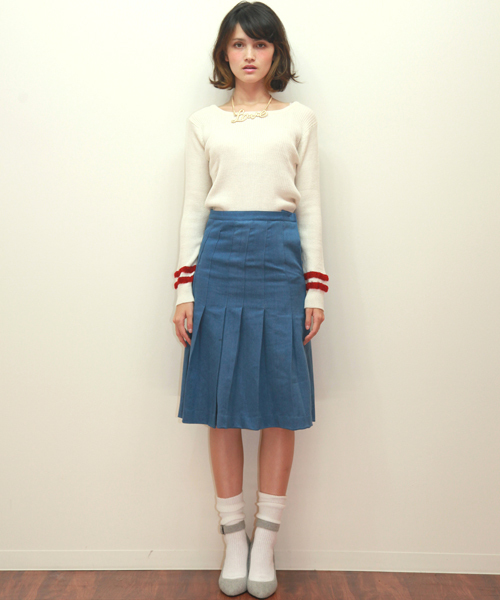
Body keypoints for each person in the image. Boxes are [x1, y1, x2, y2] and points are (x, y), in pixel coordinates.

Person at [172, 2, 329, 597]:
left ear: (275, 53)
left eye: (259, 44)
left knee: (279, 402)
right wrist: (184, 288)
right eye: (238, 44)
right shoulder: (202, 123)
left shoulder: (301, 119)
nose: (248, 55)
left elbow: (311, 208)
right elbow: (193, 208)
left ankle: (266, 541)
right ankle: (233, 537)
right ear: (224, 53)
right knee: (222, 403)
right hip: (218, 261)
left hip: (280, 262)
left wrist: (316, 287)